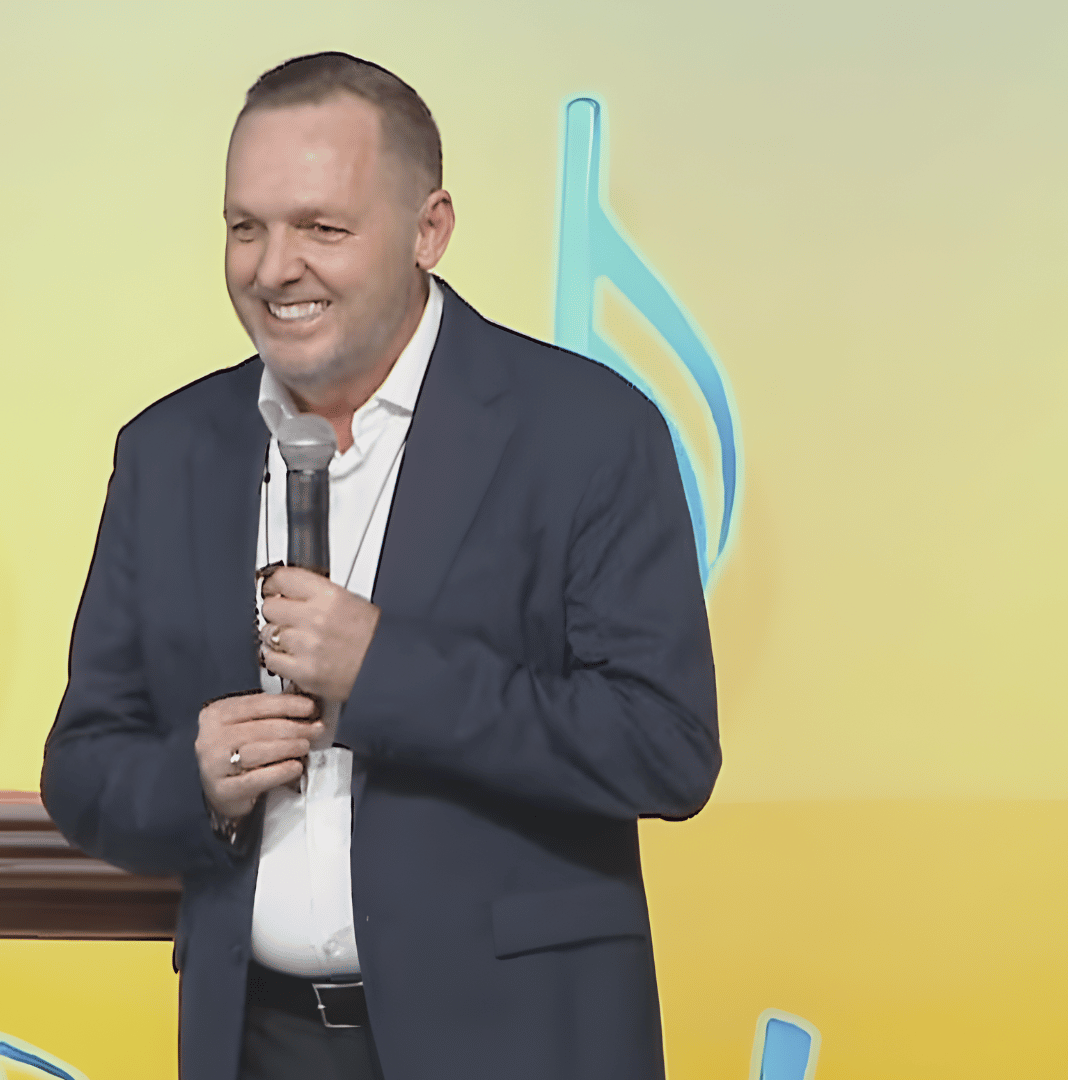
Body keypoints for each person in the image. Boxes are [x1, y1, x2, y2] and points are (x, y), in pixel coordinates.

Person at [42, 51, 719, 1080]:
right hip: (255, 1044)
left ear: (428, 230)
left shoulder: (585, 432)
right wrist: (198, 781)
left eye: (322, 228)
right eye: (246, 227)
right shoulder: (167, 451)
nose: (274, 268)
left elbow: (663, 748)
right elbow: (85, 765)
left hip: (518, 1046)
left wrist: (384, 671)